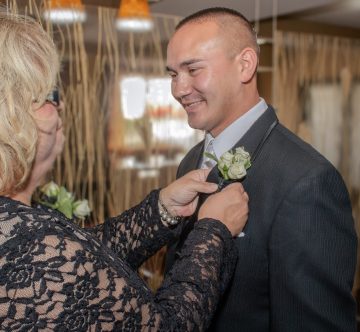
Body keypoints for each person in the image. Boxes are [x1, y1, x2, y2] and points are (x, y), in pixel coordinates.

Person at [0, 11, 250, 331]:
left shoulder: (24, 235)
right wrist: (212, 231)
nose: (60, 107)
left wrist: (161, 210)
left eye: (193, 69)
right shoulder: (32, 242)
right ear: (14, 119)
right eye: (49, 97)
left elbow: (77, 257)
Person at [165, 7, 357, 332]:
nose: (179, 89)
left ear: (245, 65)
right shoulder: (191, 160)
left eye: (193, 70)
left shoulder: (307, 181)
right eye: (172, 74)